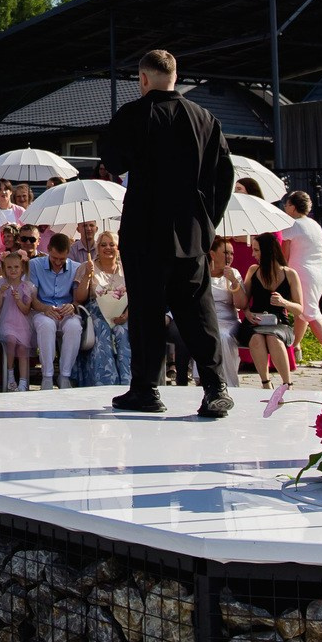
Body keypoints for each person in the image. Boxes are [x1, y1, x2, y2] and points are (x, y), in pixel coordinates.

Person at [100, 48, 238, 417]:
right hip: (191, 229)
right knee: (198, 309)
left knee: (146, 310)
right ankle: (215, 388)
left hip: (145, 228)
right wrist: (208, 222)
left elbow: (112, 161)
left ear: (143, 78)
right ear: (176, 76)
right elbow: (224, 175)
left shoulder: (133, 114)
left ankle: (145, 390)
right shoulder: (205, 118)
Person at [235, 233, 303, 388]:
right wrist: (247, 313)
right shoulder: (253, 271)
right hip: (255, 321)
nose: (253, 254)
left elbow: (299, 309)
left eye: (257, 250)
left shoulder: (290, 274)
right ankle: (265, 383)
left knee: (273, 338)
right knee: (256, 339)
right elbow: (244, 302)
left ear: (268, 251)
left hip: (279, 323)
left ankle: (287, 383)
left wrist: (284, 302)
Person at [279, 192, 322, 367]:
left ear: (293, 207)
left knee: (310, 312)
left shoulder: (291, 225)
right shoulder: (314, 224)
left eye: (287, 204)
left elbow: (285, 254)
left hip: (302, 271)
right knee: (303, 312)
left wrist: (280, 269)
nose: (285, 207)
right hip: (319, 270)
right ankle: (295, 347)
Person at [28, 232, 84, 390]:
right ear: (48, 250)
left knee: (74, 326)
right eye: (54, 258)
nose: (58, 263)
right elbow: (32, 298)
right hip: (43, 311)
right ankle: (47, 376)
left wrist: (72, 306)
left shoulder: (76, 267)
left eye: (62, 259)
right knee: (46, 325)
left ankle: (65, 376)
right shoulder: (35, 265)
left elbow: (77, 299)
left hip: (66, 311)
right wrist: (45, 308)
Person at [80, 230, 132, 388]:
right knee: (102, 332)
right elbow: (78, 298)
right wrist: (86, 277)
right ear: (97, 248)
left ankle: (128, 382)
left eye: (112, 245)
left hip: (123, 314)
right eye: (103, 245)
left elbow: (137, 295)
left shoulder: (127, 268)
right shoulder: (88, 267)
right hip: (96, 313)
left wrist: (126, 314)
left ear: (118, 248)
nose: (107, 248)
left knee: (124, 332)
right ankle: (104, 383)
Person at [0, 252, 37, 392]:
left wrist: (18, 299)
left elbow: (26, 310)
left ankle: (23, 381)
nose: (13, 270)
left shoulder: (27, 286)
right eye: (9, 267)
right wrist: (0, 295)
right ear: (4, 268)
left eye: (16, 267)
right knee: (10, 340)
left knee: (23, 348)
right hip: (6, 321)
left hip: (22, 323)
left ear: (22, 268)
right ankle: (10, 374)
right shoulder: (1, 283)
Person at [208, 238, 243, 389]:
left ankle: (229, 382)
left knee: (222, 336)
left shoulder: (233, 273)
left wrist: (234, 282)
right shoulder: (202, 272)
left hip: (228, 320)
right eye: (225, 253)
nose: (229, 257)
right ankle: (204, 379)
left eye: (231, 253)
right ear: (213, 254)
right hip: (208, 317)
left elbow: (241, 304)